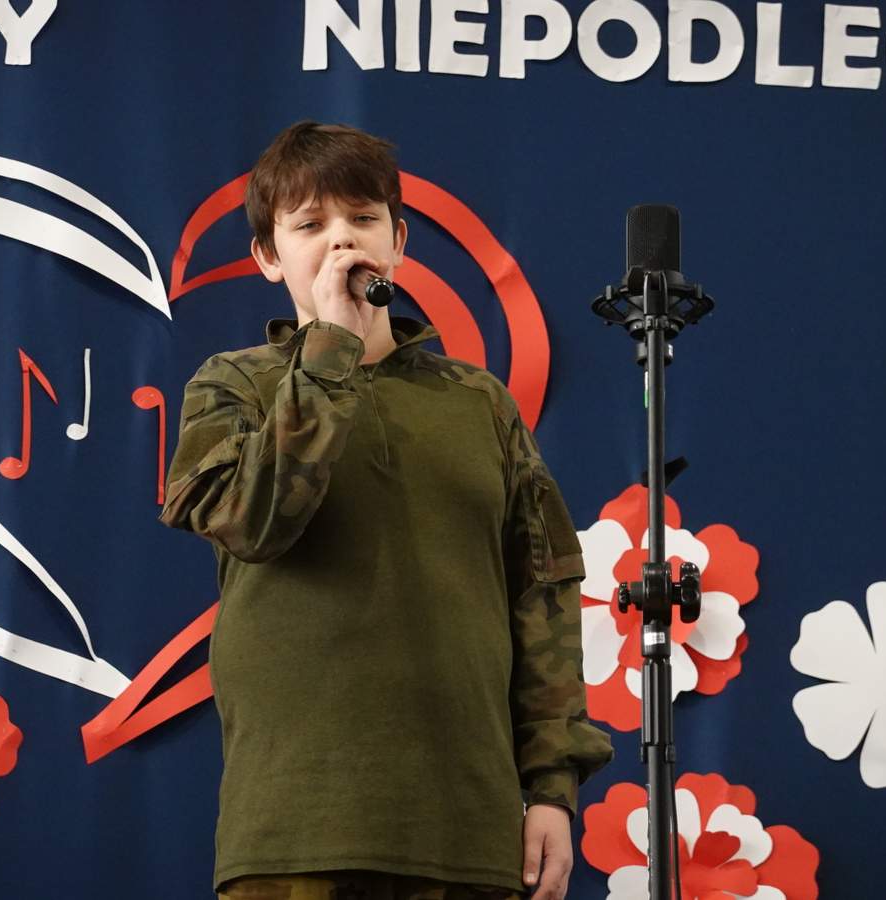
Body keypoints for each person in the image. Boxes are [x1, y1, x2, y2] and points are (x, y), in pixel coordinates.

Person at [158, 121, 613, 900]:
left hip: (469, 834)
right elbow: (252, 521)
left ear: (397, 242)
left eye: (363, 219)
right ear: (268, 257)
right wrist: (330, 347)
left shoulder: (480, 403)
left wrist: (551, 789)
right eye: (310, 225)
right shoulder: (231, 385)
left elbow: (542, 594)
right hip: (295, 830)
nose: (342, 240)